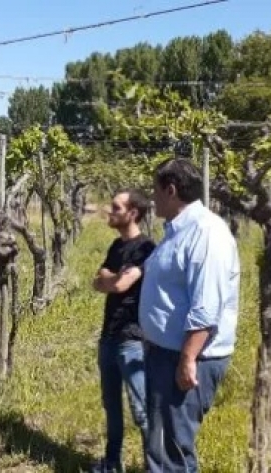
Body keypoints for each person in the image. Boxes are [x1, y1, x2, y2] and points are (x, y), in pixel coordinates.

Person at [138, 157, 240, 472]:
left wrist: (187, 358)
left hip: (187, 357)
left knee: (172, 451)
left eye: (155, 191)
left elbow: (206, 306)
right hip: (166, 353)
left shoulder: (207, 233)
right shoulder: (178, 231)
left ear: (171, 190)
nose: (152, 198)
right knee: (163, 443)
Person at [91, 188, 156, 473]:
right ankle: (112, 462)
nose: (110, 211)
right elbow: (98, 280)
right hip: (108, 336)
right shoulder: (116, 248)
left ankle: (154, 465)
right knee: (111, 406)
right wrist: (114, 278)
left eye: (116, 207)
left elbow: (118, 285)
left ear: (132, 213)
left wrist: (113, 279)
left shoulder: (146, 249)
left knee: (142, 410)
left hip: (132, 338)